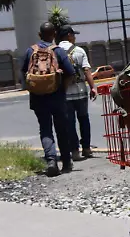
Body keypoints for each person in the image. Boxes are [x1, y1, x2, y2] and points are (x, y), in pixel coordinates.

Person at [21, 22, 78, 176]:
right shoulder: (58, 51)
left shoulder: (30, 51)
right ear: (54, 35)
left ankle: (51, 161)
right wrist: (63, 89)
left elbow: (23, 76)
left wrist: (35, 88)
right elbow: (71, 72)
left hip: (38, 98)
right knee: (62, 129)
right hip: (57, 97)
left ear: (40, 35)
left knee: (45, 129)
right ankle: (66, 162)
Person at [56, 25, 97, 161]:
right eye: (73, 35)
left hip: (64, 93)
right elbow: (86, 70)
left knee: (69, 123)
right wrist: (93, 87)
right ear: (68, 35)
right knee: (84, 119)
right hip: (80, 91)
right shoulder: (79, 51)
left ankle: (74, 151)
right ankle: (86, 148)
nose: (74, 37)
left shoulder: (55, 51)